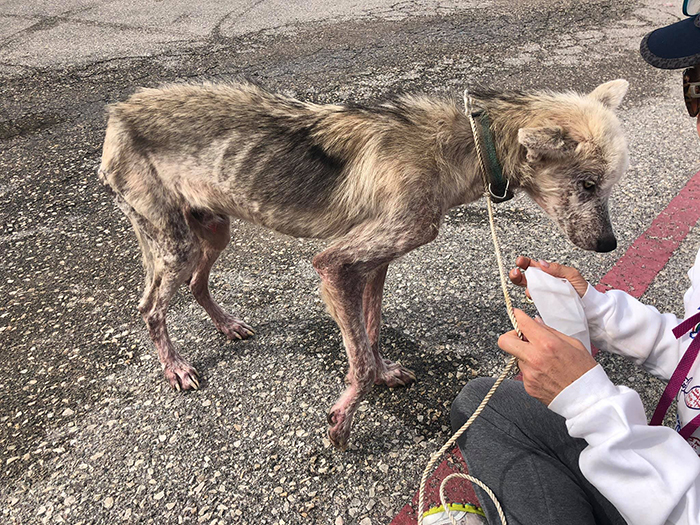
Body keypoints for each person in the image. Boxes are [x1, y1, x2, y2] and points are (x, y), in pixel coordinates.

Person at [450, 8, 700, 525]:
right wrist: (599, 312)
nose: (696, 117)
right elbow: (694, 351)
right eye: (694, 88)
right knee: (487, 403)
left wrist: (592, 404)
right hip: (672, 461)